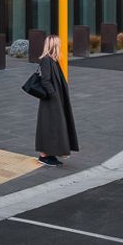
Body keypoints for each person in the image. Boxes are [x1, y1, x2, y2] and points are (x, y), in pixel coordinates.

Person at [33, 36, 79, 166]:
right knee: (49, 126)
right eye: (58, 44)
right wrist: (54, 96)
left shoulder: (53, 60)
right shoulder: (47, 60)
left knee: (52, 126)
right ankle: (43, 156)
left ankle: (49, 154)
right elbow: (45, 80)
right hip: (51, 100)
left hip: (54, 99)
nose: (60, 46)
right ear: (54, 46)